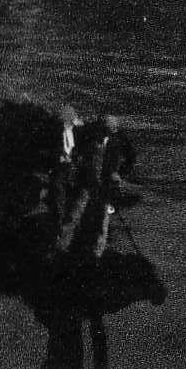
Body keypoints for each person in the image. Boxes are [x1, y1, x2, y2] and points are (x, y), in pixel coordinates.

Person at [64, 112, 135, 262]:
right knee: (75, 212)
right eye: (104, 129)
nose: (104, 133)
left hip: (106, 184)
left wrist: (120, 174)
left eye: (108, 130)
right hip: (88, 180)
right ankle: (63, 246)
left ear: (114, 129)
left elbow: (131, 157)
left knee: (102, 219)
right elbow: (77, 149)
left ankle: (96, 253)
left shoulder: (120, 138)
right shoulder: (91, 133)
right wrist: (77, 163)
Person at [47, 103, 81, 242]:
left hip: (71, 168)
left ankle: (65, 228)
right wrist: (59, 157)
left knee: (69, 198)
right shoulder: (56, 132)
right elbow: (51, 149)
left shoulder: (75, 131)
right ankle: (58, 229)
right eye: (72, 118)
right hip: (60, 168)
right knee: (59, 199)